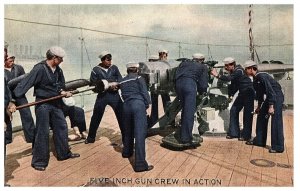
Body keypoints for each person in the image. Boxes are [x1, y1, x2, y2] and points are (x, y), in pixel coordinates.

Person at [14, 46, 80, 171]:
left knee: (62, 127)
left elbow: (61, 85)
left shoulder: (58, 70)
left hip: (56, 103)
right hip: (43, 104)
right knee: (42, 131)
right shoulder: (39, 68)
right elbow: (25, 84)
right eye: (60, 59)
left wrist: (63, 91)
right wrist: (12, 100)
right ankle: (39, 161)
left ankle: (64, 154)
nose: (62, 61)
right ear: (54, 58)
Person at [243, 60, 284, 153]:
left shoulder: (262, 76)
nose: (245, 71)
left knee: (276, 120)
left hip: (276, 96)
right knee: (261, 116)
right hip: (271, 97)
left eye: (246, 69)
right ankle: (260, 141)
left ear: (251, 69)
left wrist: (271, 106)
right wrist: (259, 107)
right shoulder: (256, 79)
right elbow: (260, 94)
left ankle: (278, 147)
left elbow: (271, 91)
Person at [119, 62, 153, 172]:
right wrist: (147, 104)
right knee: (139, 134)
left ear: (128, 70)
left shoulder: (122, 81)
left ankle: (127, 152)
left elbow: (122, 95)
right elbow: (144, 92)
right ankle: (140, 165)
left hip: (126, 106)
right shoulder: (139, 78)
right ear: (137, 70)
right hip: (138, 105)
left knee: (128, 131)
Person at [211, 57, 255, 141]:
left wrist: (217, 75)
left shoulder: (239, 71)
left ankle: (246, 135)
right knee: (233, 110)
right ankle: (234, 133)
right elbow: (234, 85)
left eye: (227, 66)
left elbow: (228, 79)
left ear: (232, 65)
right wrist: (230, 95)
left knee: (247, 114)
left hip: (248, 93)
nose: (226, 68)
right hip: (242, 93)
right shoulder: (234, 72)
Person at [85, 51, 124, 144]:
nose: (110, 62)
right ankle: (91, 138)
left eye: (110, 60)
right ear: (102, 60)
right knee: (96, 117)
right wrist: (102, 87)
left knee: (122, 116)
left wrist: (117, 86)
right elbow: (92, 85)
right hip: (102, 96)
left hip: (115, 96)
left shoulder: (114, 68)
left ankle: (125, 138)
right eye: (107, 60)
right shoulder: (95, 70)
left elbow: (120, 80)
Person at [175, 53, 208, 144]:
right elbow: (203, 84)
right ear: (202, 60)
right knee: (189, 112)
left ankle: (182, 132)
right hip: (189, 86)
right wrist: (202, 92)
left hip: (178, 85)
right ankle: (186, 138)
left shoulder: (184, 63)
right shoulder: (203, 67)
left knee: (184, 110)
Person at [4, 55, 35, 144]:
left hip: (19, 95)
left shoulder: (19, 68)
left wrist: (20, 91)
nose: (12, 63)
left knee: (27, 114)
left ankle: (31, 137)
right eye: (10, 61)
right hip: (7, 96)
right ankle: (7, 139)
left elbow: (25, 81)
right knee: (6, 116)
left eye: (13, 61)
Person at [149, 49, 171, 126]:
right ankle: (168, 119)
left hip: (158, 86)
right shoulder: (165, 64)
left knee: (165, 104)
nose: (163, 57)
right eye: (163, 56)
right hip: (162, 87)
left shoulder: (155, 64)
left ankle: (155, 119)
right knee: (166, 103)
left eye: (164, 56)